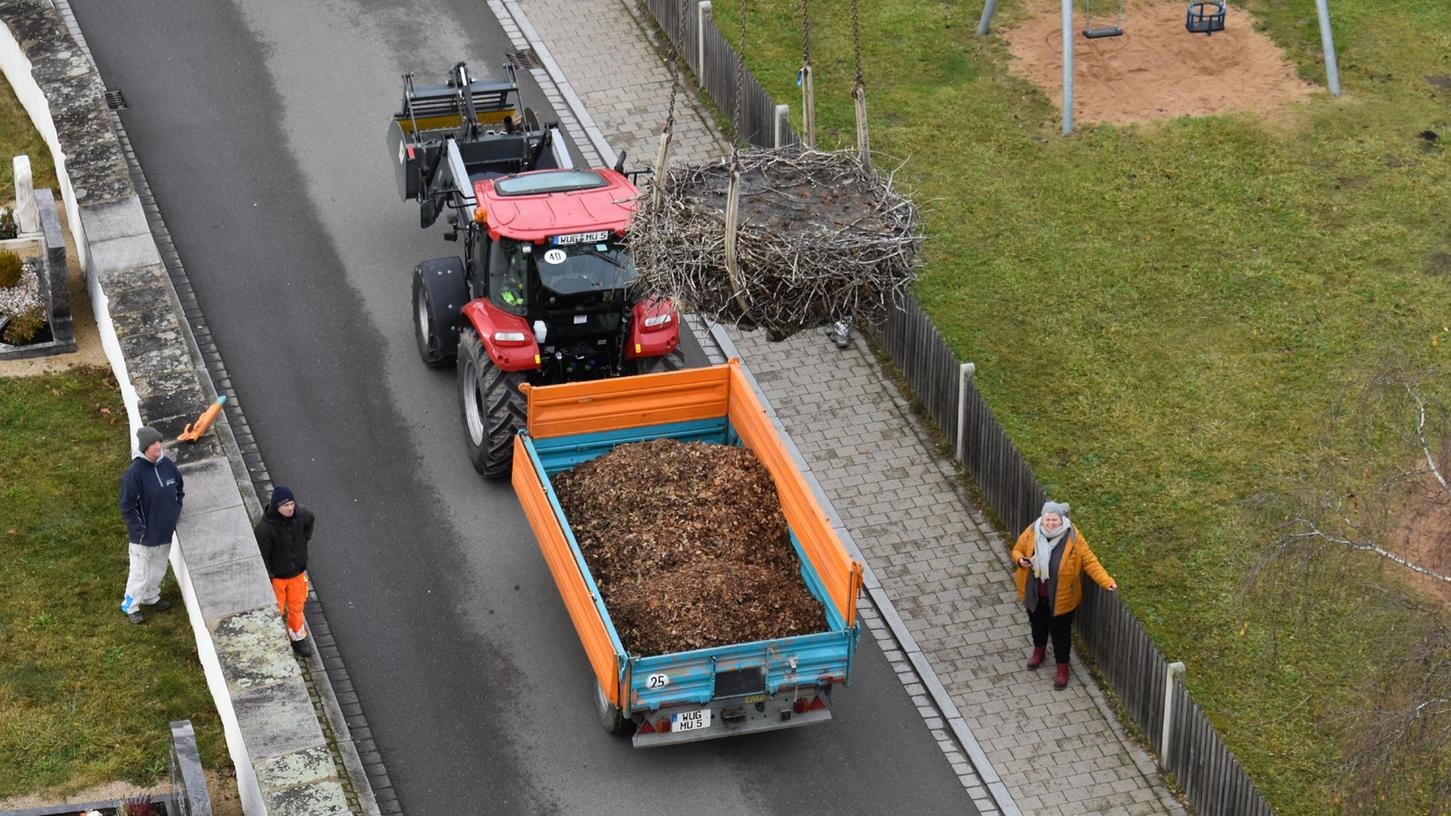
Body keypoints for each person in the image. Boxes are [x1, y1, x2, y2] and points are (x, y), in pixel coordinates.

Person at [1011, 500, 1117, 690]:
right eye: (1047, 519)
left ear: (1062, 520)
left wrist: (1106, 581)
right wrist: (1020, 560)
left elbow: (1090, 562)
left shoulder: (1073, 538)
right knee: (1037, 625)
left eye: (1054, 520)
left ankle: (1062, 669)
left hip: (1061, 599)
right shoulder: (1033, 531)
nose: (1050, 523)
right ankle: (1039, 651)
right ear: (1042, 519)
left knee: (1061, 636)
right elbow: (1017, 549)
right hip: (1035, 594)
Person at [118, 425, 184, 624]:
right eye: (153, 443)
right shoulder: (135, 473)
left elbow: (179, 488)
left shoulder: (167, 465)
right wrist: (139, 530)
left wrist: (175, 510)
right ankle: (130, 605)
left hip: (164, 532)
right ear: (145, 447)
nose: (158, 446)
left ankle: (151, 597)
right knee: (139, 573)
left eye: (158, 442)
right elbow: (127, 505)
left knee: (158, 568)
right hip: (143, 537)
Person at [253, 485, 317, 656]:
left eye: (291, 504)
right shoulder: (264, 530)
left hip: (296, 575)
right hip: (277, 579)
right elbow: (262, 556)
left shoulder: (301, 515)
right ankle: (272, 640)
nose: (290, 508)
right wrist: (270, 576)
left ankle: (297, 638)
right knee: (276, 611)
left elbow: (310, 519)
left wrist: (304, 539)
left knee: (297, 608)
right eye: (285, 505)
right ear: (276, 507)